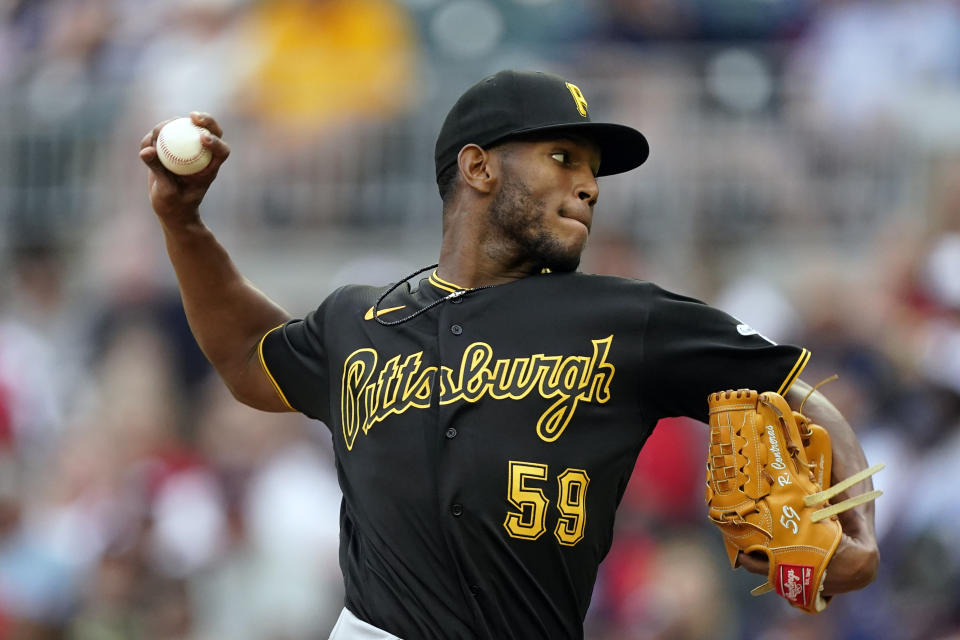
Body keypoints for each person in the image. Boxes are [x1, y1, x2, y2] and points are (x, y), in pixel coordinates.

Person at [138, 69, 880, 640]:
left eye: (592, 170)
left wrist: (859, 533)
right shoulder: (359, 321)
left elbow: (795, 390)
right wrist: (184, 224)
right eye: (563, 157)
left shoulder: (630, 318)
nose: (588, 185)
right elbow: (244, 354)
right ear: (479, 168)